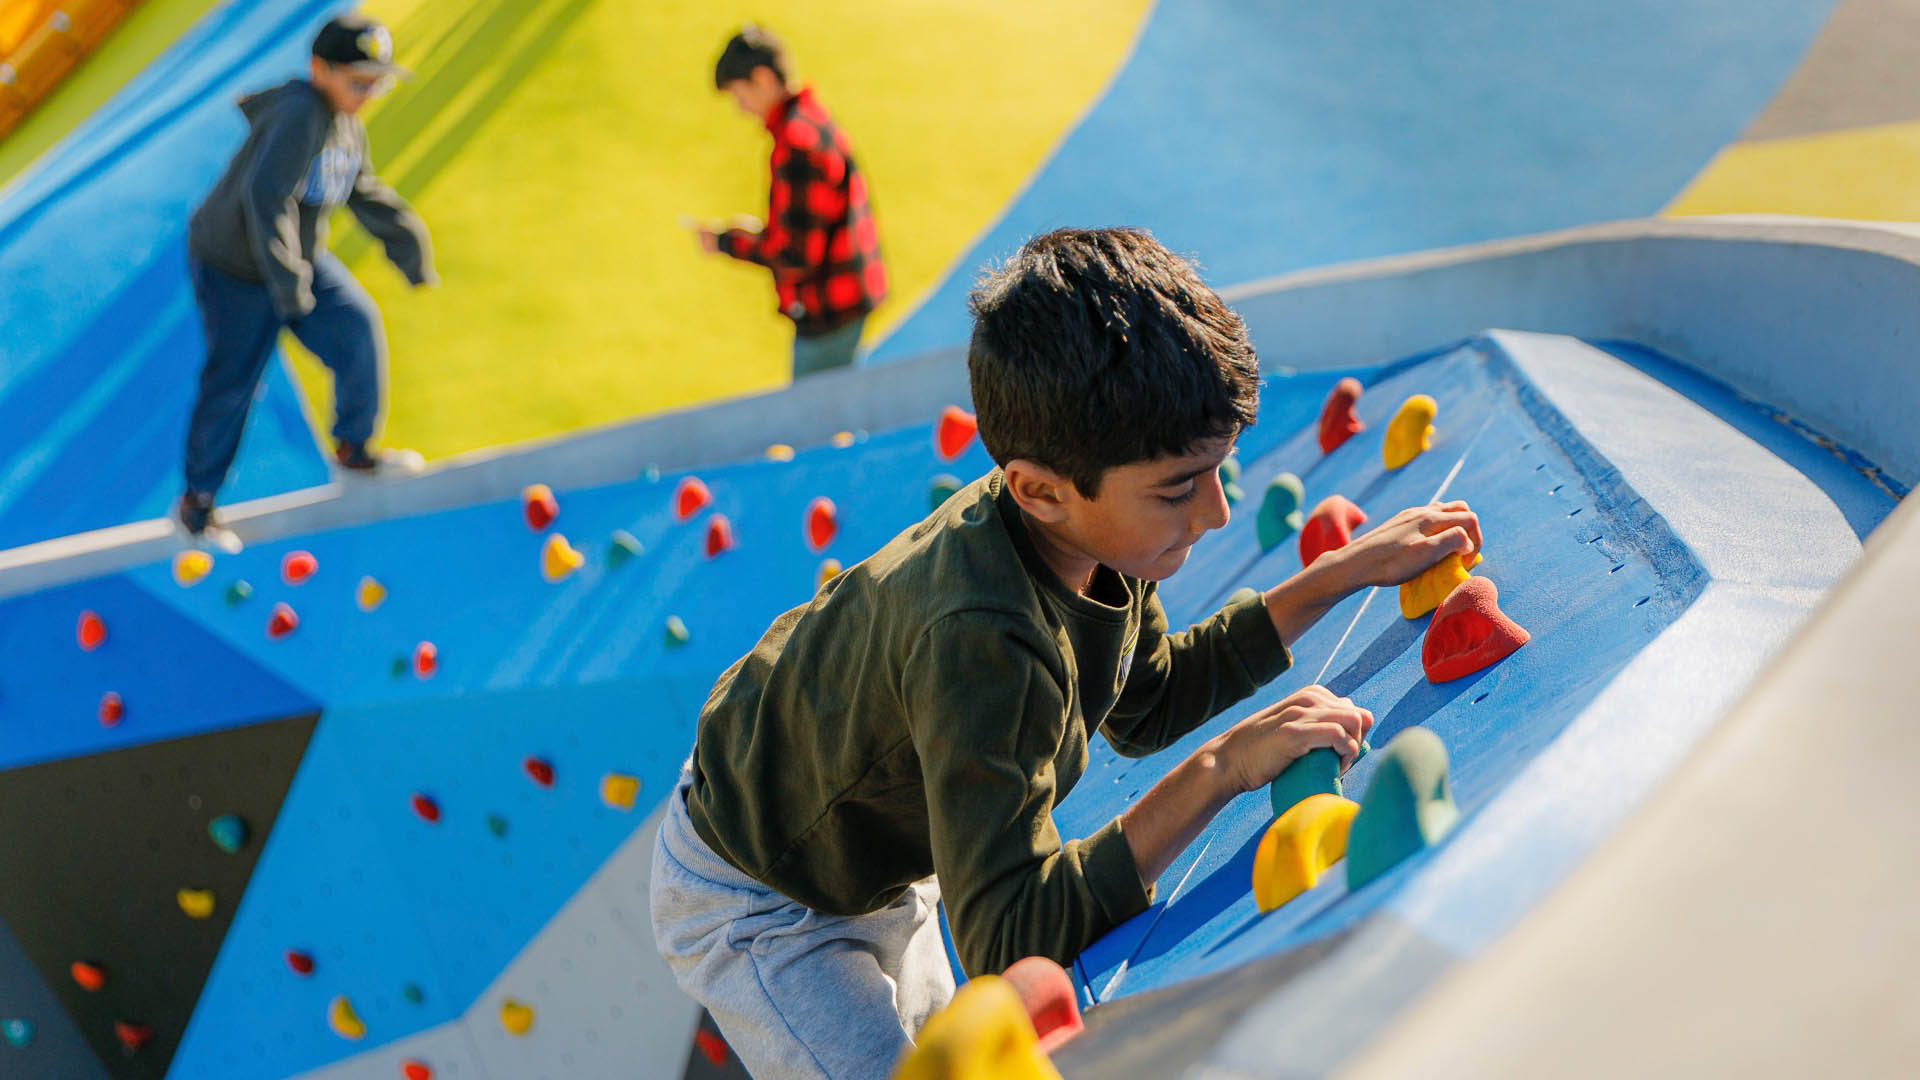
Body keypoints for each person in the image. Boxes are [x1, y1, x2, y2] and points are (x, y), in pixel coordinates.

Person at [650, 227, 1483, 1079]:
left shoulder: (1085, 536)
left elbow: (1146, 698)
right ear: (1039, 490)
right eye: (1177, 489)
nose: (1216, 515)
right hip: (767, 896)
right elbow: (1012, 938)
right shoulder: (983, 644)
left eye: (1214, 475)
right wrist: (1222, 768)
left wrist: (1341, 573)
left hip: (868, 836)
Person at [177, 13, 434, 540]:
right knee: (234, 381)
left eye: (376, 82)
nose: (368, 93)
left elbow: (361, 189)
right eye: (357, 81)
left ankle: (353, 452)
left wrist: (407, 242)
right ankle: (195, 506)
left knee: (357, 328)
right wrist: (289, 287)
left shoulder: (347, 127)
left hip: (294, 259)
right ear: (319, 69)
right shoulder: (299, 114)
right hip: (235, 266)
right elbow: (264, 198)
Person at [690, 24, 885, 377]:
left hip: (829, 307)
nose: (742, 108)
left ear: (763, 79)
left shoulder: (795, 146)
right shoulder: (811, 115)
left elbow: (795, 258)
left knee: (812, 421)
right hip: (849, 288)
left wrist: (727, 242)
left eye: (740, 95)